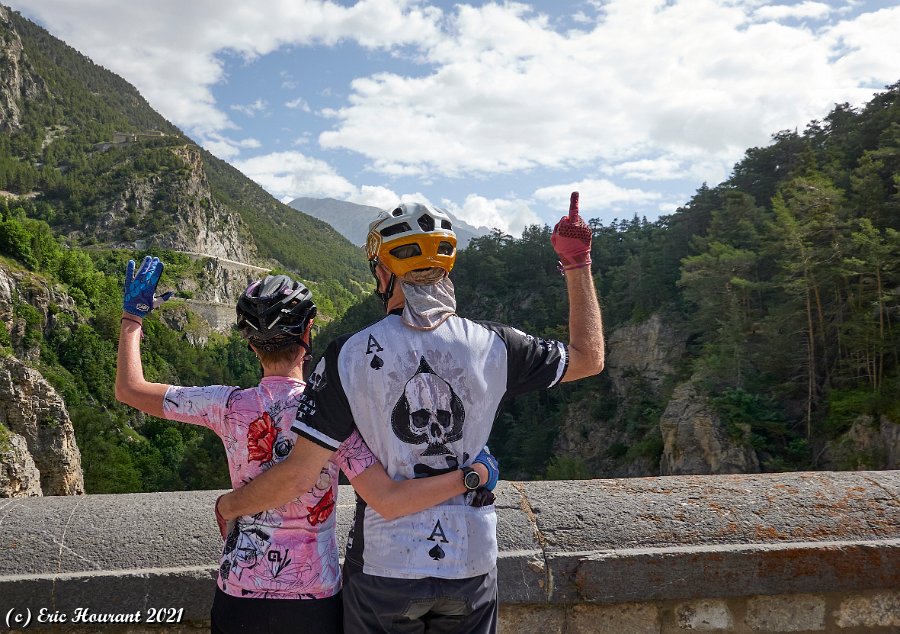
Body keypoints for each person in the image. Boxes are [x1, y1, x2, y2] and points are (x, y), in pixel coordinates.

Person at [215, 191, 604, 633]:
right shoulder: (495, 345)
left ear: (384, 273)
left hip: (386, 564)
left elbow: (301, 474)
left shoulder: (348, 355)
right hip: (470, 559)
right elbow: (588, 358)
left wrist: (232, 506)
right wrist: (577, 262)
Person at [115, 258, 499, 634]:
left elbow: (130, 389)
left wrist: (133, 319)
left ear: (251, 345)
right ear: (309, 332)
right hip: (313, 594)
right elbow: (391, 499)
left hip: (239, 589)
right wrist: (472, 473)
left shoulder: (226, 405)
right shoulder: (336, 414)